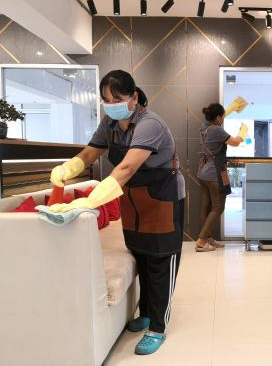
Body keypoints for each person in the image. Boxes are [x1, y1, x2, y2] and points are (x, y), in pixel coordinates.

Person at [48, 70, 186, 355]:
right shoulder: (110, 123)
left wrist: (89, 202)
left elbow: (125, 168)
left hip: (163, 196)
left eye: (117, 98)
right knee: (142, 255)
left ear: (134, 97)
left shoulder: (150, 124)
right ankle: (146, 311)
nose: (111, 104)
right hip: (133, 198)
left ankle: (158, 327)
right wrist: (69, 167)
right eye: (106, 100)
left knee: (160, 260)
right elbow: (90, 153)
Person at [195, 103, 247, 252]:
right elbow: (235, 142)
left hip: (203, 172)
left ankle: (208, 239)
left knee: (206, 207)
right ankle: (201, 241)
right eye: (223, 116)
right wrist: (243, 131)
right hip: (214, 173)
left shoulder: (204, 127)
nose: (223, 119)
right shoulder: (216, 130)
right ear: (218, 118)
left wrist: (228, 110)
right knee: (218, 207)